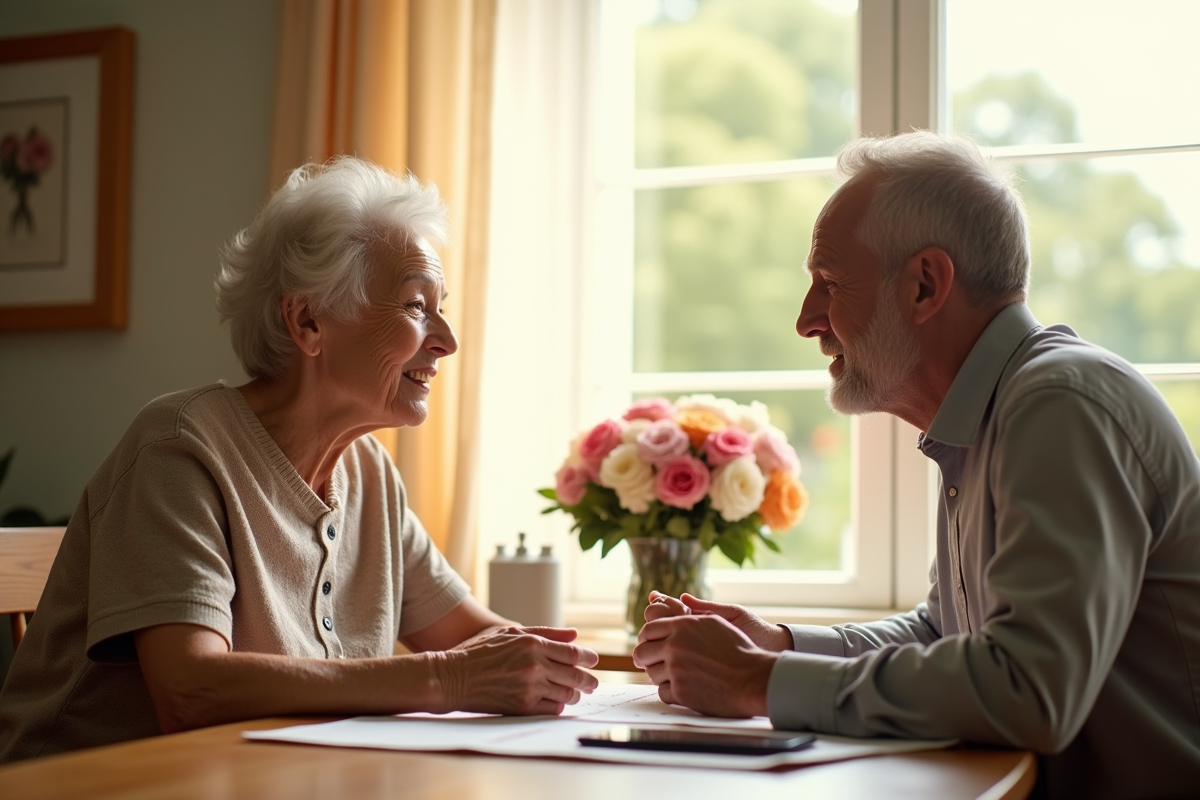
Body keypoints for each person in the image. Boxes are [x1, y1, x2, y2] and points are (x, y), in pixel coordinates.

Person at [632, 131, 1200, 799]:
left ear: (925, 284)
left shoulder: (1058, 405)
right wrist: (779, 644)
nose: (806, 320)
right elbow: (943, 631)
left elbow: (1028, 687)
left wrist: (755, 682)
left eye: (829, 282)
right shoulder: (993, 412)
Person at [0, 157, 598, 763]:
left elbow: (476, 637)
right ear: (309, 320)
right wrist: (449, 680)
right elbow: (189, 689)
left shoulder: (370, 476)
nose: (446, 339)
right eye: (417, 306)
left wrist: (584, 661)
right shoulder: (180, 447)